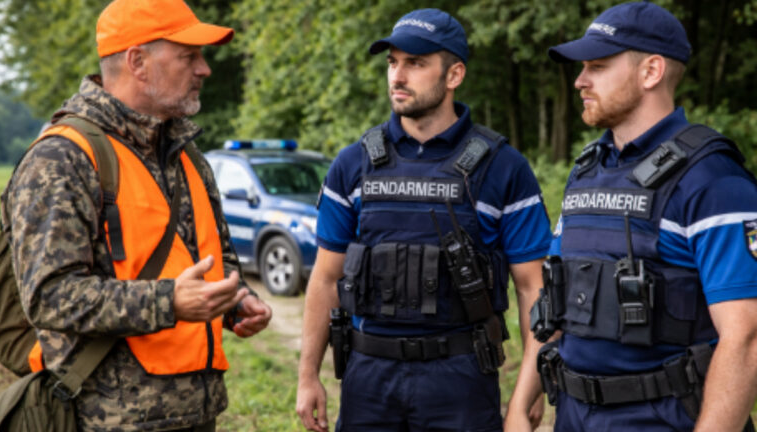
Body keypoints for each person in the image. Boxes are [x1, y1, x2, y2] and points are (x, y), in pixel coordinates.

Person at [0, 0, 272, 430]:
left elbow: (211, 256)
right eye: (189, 56)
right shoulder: (63, 158)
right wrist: (168, 301)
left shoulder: (186, 156)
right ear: (137, 62)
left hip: (197, 414)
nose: (204, 69)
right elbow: (48, 296)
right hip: (107, 421)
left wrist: (235, 302)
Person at [295, 8, 552, 431]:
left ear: (454, 75)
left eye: (416, 63)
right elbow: (325, 279)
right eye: (393, 62)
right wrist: (308, 378)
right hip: (368, 379)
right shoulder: (353, 164)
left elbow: (532, 288)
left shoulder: (504, 167)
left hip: (461, 379)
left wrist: (530, 388)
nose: (398, 76)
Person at [527, 2, 757, 431]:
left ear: (650, 72)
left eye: (597, 66)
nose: (579, 81)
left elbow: (745, 340)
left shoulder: (714, 181)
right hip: (574, 415)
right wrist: (522, 405)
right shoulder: (587, 172)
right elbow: (556, 298)